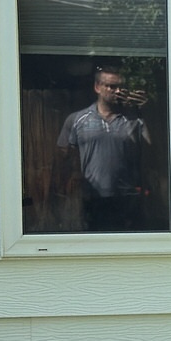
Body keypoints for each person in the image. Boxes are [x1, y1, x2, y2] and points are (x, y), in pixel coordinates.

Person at [57, 66, 155, 231]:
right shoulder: (77, 119)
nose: (116, 91)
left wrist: (145, 111)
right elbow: (63, 157)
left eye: (119, 87)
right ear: (97, 87)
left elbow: (153, 154)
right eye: (110, 86)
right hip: (92, 198)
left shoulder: (134, 119)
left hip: (128, 198)